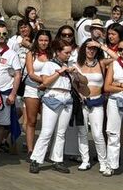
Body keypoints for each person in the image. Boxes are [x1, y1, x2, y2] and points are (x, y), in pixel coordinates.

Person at [30, 41, 85, 174]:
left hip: (67, 99)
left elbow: (84, 81)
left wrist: (76, 73)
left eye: (69, 52)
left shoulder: (70, 66)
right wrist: (60, 72)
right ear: (58, 52)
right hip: (53, 97)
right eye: (66, 52)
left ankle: (57, 159)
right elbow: (45, 82)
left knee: (61, 132)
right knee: (47, 131)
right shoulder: (49, 64)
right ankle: (36, 159)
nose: (68, 55)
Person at [0, 21, 23, 160]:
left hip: (5, 93)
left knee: (2, 124)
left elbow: (18, 74)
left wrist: (13, 94)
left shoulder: (12, 54)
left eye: (3, 33)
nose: (1, 36)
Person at [75, 39, 109, 175]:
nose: (91, 51)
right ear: (84, 49)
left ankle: (103, 162)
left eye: (93, 49)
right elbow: (74, 83)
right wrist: (79, 94)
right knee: (82, 132)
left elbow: (116, 57)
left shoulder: (101, 63)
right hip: (83, 102)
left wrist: (100, 45)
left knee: (97, 133)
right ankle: (85, 160)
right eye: (88, 48)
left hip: (97, 101)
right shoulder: (78, 64)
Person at [23, 29, 53, 155]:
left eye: (46, 40)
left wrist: (46, 83)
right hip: (33, 88)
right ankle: (30, 149)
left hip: (48, 89)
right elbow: (30, 73)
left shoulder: (53, 55)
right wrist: (44, 80)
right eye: (41, 40)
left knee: (48, 121)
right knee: (32, 120)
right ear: (37, 41)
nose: (43, 43)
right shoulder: (31, 53)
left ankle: (44, 148)